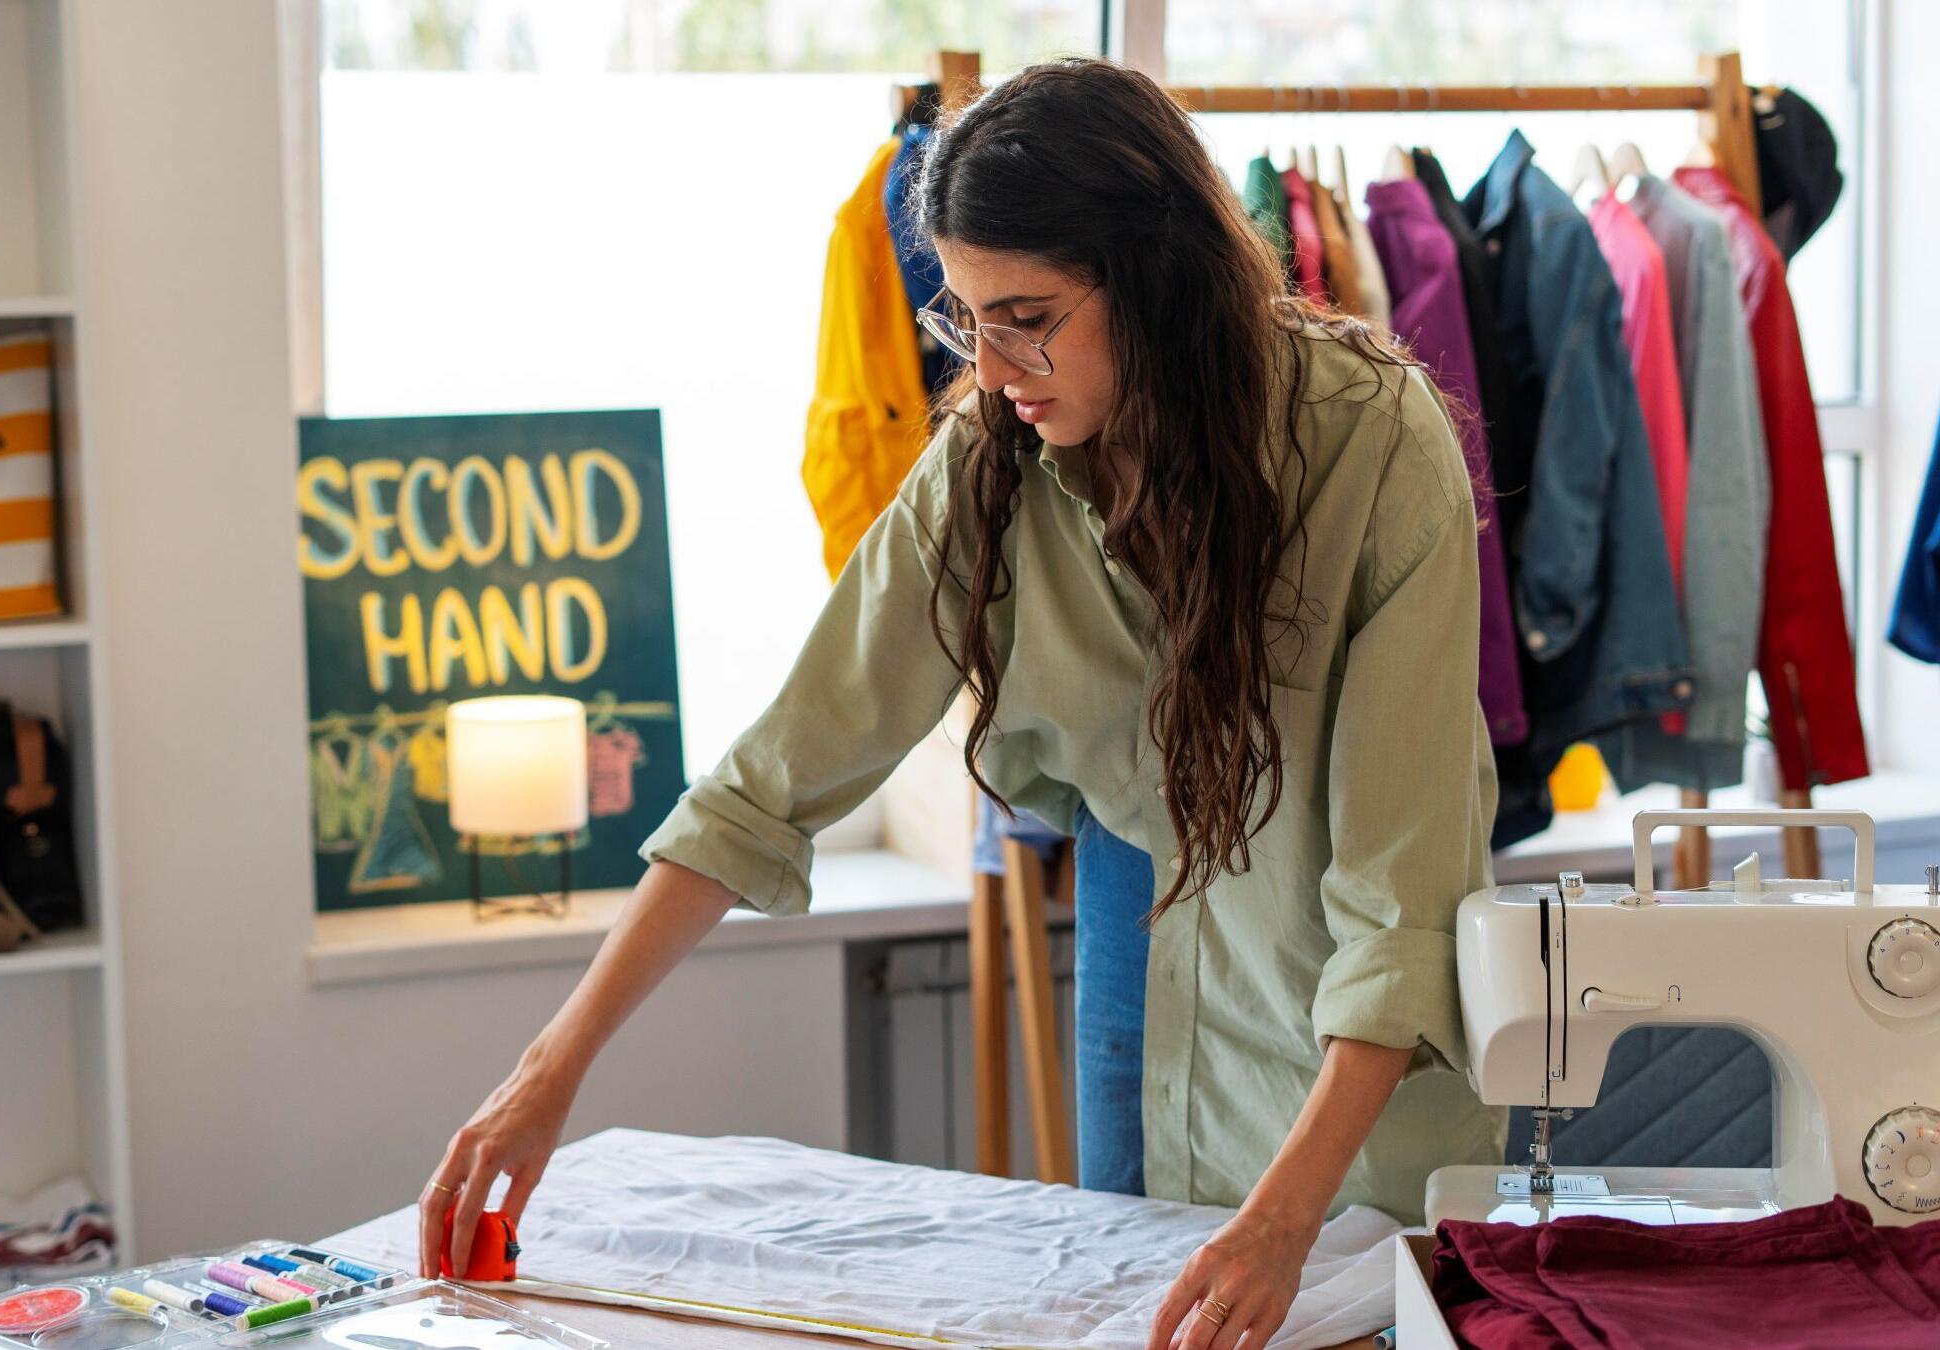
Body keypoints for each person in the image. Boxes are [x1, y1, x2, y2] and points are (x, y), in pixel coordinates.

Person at [420, 58, 1502, 1350]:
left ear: (1153, 273)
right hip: (1145, 935)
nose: (991, 369)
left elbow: (1400, 892)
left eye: (1028, 315)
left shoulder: (1369, 443)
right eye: (966, 320)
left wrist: (1281, 1217)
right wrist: (548, 1076)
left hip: (1359, 1036)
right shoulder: (991, 466)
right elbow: (770, 777)